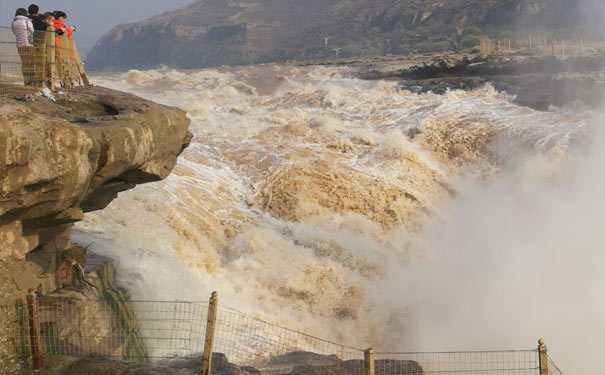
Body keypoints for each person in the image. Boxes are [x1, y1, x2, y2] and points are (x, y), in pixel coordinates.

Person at [11, 8, 34, 85]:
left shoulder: (14, 22)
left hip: (19, 45)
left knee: (24, 63)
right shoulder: (27, 21)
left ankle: (25, 80)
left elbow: (14, 32)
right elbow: (31, 30)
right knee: (31, 63)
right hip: (28, 45)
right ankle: (30, 80)